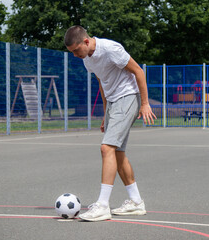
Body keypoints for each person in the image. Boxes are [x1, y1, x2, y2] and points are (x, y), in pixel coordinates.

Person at [64, 25, 157, 222]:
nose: (75, 55)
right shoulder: (87, 59)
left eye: (76, 50)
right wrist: (106, 114)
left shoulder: (111, 49)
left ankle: (103, 205)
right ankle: (136, 202)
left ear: (86, 42)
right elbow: (102, 82)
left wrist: (145, 103)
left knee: (107, 148)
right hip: (114, 102)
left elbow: (138, 71)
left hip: (128, 97)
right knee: (117, 153)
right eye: (71, 52)